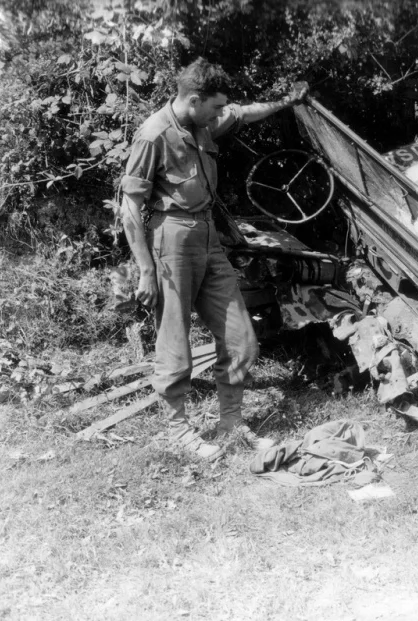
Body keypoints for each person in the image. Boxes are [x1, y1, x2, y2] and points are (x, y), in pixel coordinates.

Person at [119, 58, 307, 460]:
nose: (222, 113)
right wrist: (146, 270)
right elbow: (130, 207)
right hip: (170, 242)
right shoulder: (153, 135)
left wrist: (287, 101)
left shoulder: (202, 123)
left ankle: (231, 424)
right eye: (216, 106)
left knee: (241, 338)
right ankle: (179, 432)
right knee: (175, 344)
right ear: (193, 100)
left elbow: (245, 112)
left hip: (209, 236)